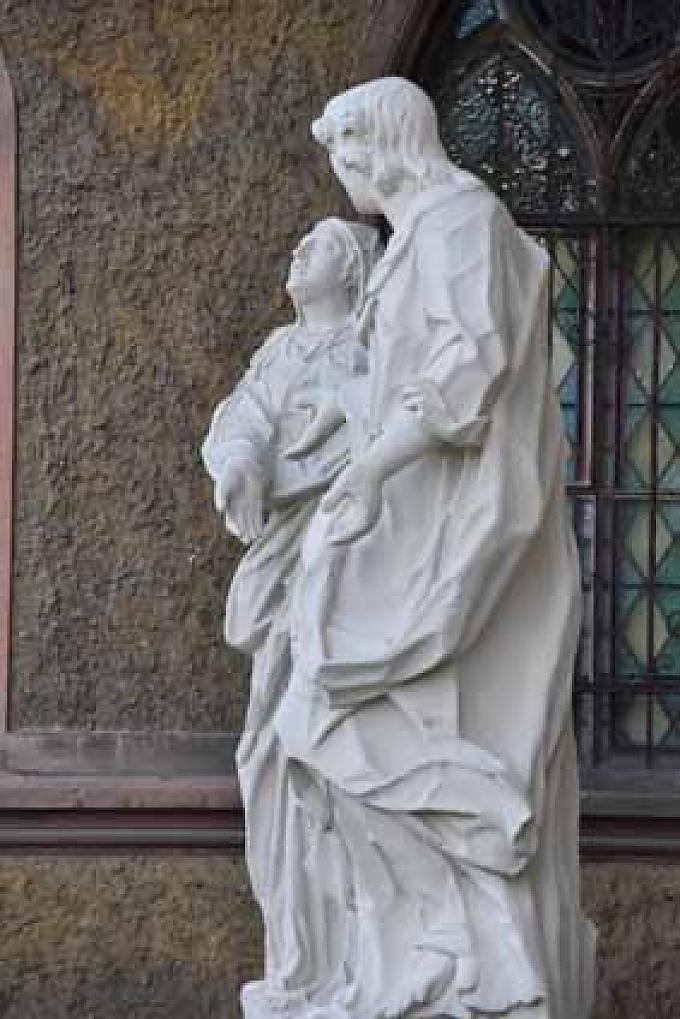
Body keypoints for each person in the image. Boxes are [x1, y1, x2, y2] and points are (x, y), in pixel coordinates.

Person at [266, 78, 595, 1019]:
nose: (340, 178)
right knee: (324, 720)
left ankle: (478, 953)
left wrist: (371, 470)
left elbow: (468, 370)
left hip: (446, 526)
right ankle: (415, 953)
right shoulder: (419, 238)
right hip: (399, 513)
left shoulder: (460, 223)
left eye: (342, 157)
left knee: (348, 713)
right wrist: (346, 424)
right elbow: (402, 376)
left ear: (378, 148)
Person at [202, 216, 382, 1014]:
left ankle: (363, 955)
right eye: (296, 242)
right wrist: (241, 459)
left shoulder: (371, 347)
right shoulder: (279, 350)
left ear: (350, 271)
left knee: (336, 747)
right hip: (282, 566)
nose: (295, 252)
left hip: (348, 565)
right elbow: (240, 419)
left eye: (314, 246)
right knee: (269, 752)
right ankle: (300, 956)